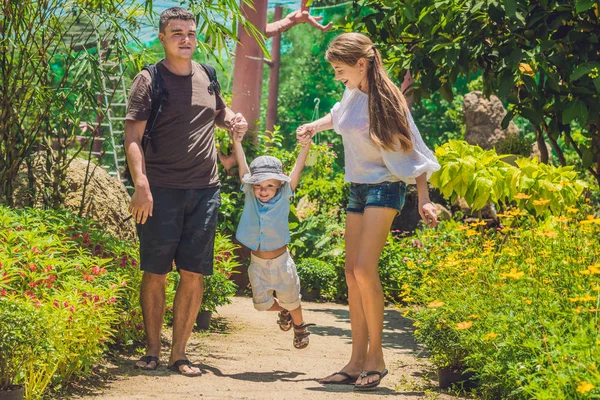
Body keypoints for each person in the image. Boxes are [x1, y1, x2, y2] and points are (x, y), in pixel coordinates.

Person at [296, 32, 440, 390]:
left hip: (386, 186)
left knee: (364, 268)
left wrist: (423, 198)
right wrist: (314, 126)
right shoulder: (350, 93)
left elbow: (415, 150)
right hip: (357, 188)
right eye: (334, 70)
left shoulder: (389, 101)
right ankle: (356, 360)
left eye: (340, 69)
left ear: (362, 64)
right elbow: (338, 115)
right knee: (349, 272)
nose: (336, 76)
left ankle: (377, 358)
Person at [125, 7, 248, 377]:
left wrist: (232, 119)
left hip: (204, 189)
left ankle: (180, 354)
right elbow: (132, 137)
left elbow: (218, 112)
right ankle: (151, 350)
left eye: (191, 33)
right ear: (162, 37)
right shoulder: (148, 80)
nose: (186, 39)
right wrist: (141, 184)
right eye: (177, 32)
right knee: (156, 271)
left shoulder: (207, 75)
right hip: (160, 189)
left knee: (193, 273)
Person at [232, 130, 316, 349]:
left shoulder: (286, 194)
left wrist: (305, 146)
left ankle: (299, 327)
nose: (263, 190)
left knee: (292, 298)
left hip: (281, 262)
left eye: (269, 185)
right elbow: (244, 169)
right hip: (257, 263)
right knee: (261, 305)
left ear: (279, 185)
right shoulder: (250, 194)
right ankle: (284, 310)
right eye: (259, 185)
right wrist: (236, 142)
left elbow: (298, 167)